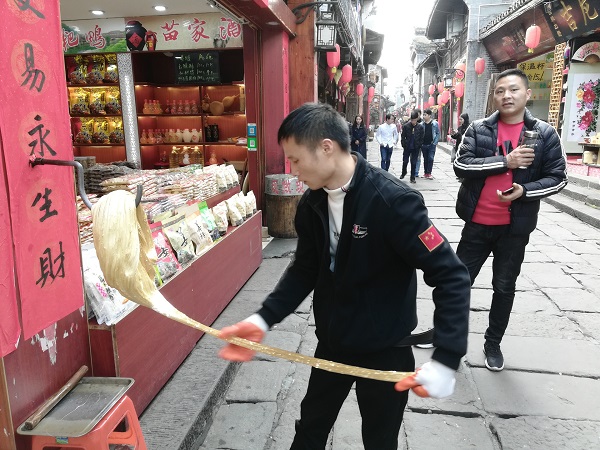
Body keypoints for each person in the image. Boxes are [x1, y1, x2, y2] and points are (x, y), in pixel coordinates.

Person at [219, 103, 471, 450]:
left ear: (326, 147)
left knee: (380, 440)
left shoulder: (393, 202)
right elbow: (305, 270)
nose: (292, 171)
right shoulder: (311, 205)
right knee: (309, 430)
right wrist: (263, 320)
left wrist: (446, 357)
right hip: (333, 342)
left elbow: (452, 275)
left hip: (386, 349)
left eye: (295, 159)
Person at [453, 68, 567, 372]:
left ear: (527, 94)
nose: (506, 95)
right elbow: (461, 166)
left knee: (504, 287)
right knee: (456, 283)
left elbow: (558, 178)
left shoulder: (544, 134)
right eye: (500, 90)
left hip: (514, 230)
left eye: (514, 90)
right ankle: (450, 339)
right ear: (495, 95)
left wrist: (525, 191)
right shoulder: (478, 129)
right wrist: (506, 161)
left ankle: (493, 344)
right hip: (476, 224)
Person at [400, 111, 424, 184]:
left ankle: (412, 177)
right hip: (407, 146)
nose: (413, 122)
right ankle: (404, 172)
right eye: (412, 120)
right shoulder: (406, 126)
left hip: (416, 147)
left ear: (417, 119)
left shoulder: (420, 127)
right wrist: (404, 144)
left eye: (415, 120)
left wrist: (419, 145)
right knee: (405, 161)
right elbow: (403, 136)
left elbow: (422, 137)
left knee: (413, 162)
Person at [421, 108, 440, 179]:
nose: (423, 116)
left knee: (431, 158)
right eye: (423, 115)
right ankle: (425, 173)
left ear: (429, 115)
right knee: (425, 159)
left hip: (432, 144)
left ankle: (429, 173)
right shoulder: (421, 124)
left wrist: (435, 142)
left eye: (425, 115)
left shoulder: (435, 124)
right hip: (424, 144)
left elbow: (438, 133)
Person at [413, 108, 423, 178]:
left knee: (418, 158)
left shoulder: (422, 122)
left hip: (419, 143)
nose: (417, 116)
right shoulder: (411, 122)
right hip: (411, 143)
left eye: (419, 115)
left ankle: (416, 172)